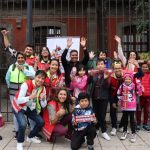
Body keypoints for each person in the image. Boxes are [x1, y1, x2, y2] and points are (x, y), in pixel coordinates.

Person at [11, 70, 47, 150]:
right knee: (23, 124)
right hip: (19, 106)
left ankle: (30, 137)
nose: (40, 80)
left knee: (41, 122)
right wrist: (30, 97)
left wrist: (43, 99)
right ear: (35, 77)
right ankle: (20, 142)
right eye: (39, 77)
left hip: (30, 107)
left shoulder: (43, 88)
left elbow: (44, 105)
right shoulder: (26, 84)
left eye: (42, 78)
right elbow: (18, 100)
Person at [5, 52, 35, 137]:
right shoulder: (12, 66)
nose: (20, 59)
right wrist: (10, 87)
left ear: (25, 58)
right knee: (16, 111)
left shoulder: (29, 67)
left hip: (25, 93)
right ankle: (17, 131)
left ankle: (31, 129)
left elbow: (34, 76)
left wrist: (24, 70)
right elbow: (7, 78)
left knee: (27, 110)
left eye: (22, 57)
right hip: (13, 93)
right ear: (17, 58)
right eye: (19, 57)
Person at [88, 59, 111, 141]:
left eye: (102, 64)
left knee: (102, 115)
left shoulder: (107, 73)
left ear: (104, 65)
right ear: (96, 65)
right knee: (96, 114)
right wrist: (90, 76)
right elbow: (89, 82)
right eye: (98, 64)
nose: (100, 65)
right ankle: (97, 128)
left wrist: (105, 78)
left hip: (103, 97)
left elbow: (107, 86)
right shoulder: (94, 74)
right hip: (94, 97)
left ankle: (104, 131)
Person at [117, 72, 142, 143]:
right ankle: (124, 131)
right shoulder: (122, 86)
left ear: (131, 79)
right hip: (124, 105)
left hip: (132, 105)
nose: (127, 80)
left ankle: (133, 133)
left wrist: (139, 85)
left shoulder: (134, 85)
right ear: (124, 79)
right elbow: (118, 93)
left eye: (129, 79)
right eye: (126, 79)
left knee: (132, 120)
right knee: (125, 119)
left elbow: (139, 93)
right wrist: (121, 98)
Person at [136, 61, 150, 131]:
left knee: (146, 111)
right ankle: (138, 123)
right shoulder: (138, 75)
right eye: (143, 67)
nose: (144, 68)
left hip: (148, 96)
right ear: (141, 68)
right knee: (138, 110)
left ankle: (145, 124)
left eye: (146, 67)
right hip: (140, 96)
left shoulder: (149, 74)